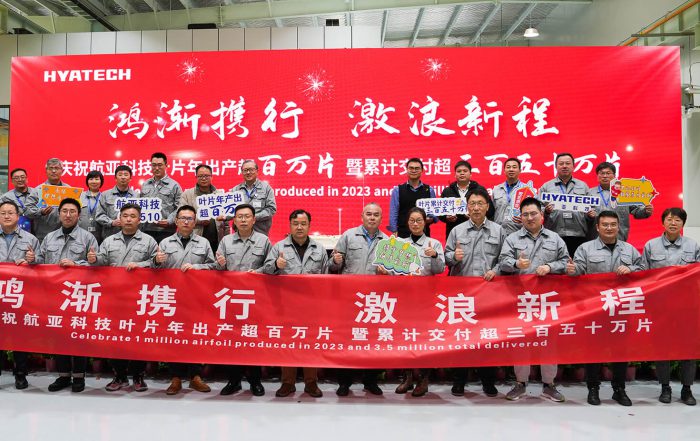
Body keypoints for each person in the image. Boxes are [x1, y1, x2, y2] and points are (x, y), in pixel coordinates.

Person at [567, 210, 642, 406]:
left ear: (618, 227)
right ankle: (593, 388)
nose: (609, 228)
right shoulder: (585, 249)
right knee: (593, 349)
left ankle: (619, 389)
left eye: (613, 225)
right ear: (598, 227)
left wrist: (631, 269)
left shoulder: (629, 250)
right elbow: (578, 271)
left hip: (621, 308)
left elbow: (643, 269)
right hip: (595, 309)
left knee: (620, 349)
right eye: (605, 225)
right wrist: (572, 271)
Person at [498, 197, 568, 402]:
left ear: (541, 215)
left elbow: (566, 262)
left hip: (548, 300)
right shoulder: (512, 239)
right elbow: (502, 262)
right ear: (520, 217)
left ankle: (549, 385)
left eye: (533, 213)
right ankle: (520, 383)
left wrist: (550, 267)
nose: (529, 218)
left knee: (548, 341)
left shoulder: (555, 238)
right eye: (525, 214)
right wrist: (516, 264)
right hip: (522, 299)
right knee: (521, 341)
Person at [88, 203, 158, 392]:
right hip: (114, 298)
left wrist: (140, 265)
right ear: (119, 218)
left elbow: (157, 264)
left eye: (133, 216)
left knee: (138, 338)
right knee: (115, 338)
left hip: (139, 299)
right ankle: (119, 375)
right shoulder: (109, 241)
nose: (128, 219)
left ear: (139, 220)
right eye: (125, 215)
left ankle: (138, 376)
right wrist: (94, 260)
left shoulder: (149, 241)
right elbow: (101, 261)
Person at [444, 187, 505, 397]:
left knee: (487, 337)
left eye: (480, 204)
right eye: (472, 204)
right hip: (462, 295)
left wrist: (495, 270)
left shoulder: (499, 230)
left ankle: (488, 381)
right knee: (461, 337)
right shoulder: (457, 231)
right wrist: (454, 257)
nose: (476, 208)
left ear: (487, 207)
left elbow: (505, 258)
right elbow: (446, 258)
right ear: (467, 207)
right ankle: (459, 380)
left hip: (489, 292)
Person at [262, 209, 328, 398]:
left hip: (311, 306)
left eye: (303, 224)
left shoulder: (319, 249)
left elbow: (325, 277)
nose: (299, 227)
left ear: (309, 226)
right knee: (288, 344)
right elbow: (266, 270)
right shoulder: (279, 247)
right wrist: (276, 265)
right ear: (290, 225)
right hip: (286, 306)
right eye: (295, 223)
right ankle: (288, 383)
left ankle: (311, 383)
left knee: (310, 344)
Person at [37, 198, 98, 393]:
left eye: (72, 211)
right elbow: (41, 260)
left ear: (79, 215)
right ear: (59, 214)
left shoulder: (88, 238)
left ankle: (79, 376)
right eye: (64, 211)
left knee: (78, 334)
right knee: (59, 334)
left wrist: (77, 265)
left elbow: (97, 265)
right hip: (54, 295)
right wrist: (31, 259)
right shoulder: (49, 237)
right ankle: (63, 376)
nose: (68, 215)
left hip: (78, 295)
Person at [154, 205, 216, 396]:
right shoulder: (165, 243)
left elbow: (213, 266)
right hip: (172, 298)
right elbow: (155, 271)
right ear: (176, 221)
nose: (186, 222)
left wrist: (198, 267)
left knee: (195, 335)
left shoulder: (204, 243)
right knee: (174, 336)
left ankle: (195, 376)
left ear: (195, 221)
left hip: (196, 298)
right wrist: (156, 261)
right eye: (183, 218)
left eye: (190, 218)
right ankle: (176, 377)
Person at [328, 202, 389, 396]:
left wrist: (387, 273)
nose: (372, 217)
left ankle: (370, 381)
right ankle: (344, 382)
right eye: (368, 214)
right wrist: (335, 261)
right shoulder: (348, 236)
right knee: (347, 339)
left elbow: (393, 275)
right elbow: (333, 266)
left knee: (372, 341)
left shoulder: (387, 241)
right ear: (362, 216)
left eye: (376, 215)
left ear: (381, 218)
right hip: (350, 298)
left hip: (374, 300)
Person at [641, 207, 698, 406]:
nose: (673, 223)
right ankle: (665, 387)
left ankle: (687, 389)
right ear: (663, 222)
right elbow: (643, 273)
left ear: (683, 224)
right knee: (662, 348)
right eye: (669, 219)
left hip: (686, 306)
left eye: (677, 220)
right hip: (660, 306)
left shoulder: (693, 245)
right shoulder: (651, 245)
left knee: (688, 349)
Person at [215, 204, 271, 397]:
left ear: (254, 220)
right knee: (232, 340)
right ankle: (234, 381)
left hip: (254, 299)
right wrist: (220, 265)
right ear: (235, 220)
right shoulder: (226, 241)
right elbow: (217, 269)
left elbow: (270, 266)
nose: (244, 220)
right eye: (240, 216)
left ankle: (255, 381)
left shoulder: (264, 240)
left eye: (247, 216)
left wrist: (259, 272)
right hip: (230, 299)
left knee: (252, 339)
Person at [394, 207, 445, 397]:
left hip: (426, 301)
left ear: (425, 222)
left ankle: (423, 379)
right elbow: (394, 271)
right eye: (412, 221)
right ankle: (407, 378)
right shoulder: (400, 244)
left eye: (419, 220)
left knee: (424, 339)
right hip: (405, 299)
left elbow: (440, 270)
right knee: (405, 337)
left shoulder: (434, 243)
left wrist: (434, 256)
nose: (415, 224)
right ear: (408, 223)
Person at [0, 200, 39, 389]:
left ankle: (21, 373)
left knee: (19, 334)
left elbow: (42, 264)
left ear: (18, 216)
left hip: (20, 295)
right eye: (3, 213)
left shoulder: (30, 239)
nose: (6, 216)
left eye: (10, 213)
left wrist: (33, 260)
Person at [538, 153, 590, 256]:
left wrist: (590, 215)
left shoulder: (583, 186)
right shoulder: (546, 186)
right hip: (554, 234)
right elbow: (539, 209)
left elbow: (591, 208)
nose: (564, 166)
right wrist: (546, 211)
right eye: (561, 163)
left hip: (578, 234)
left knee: (577, 264)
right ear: (556, 166)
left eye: (568, 163)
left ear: (573, 166)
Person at [586, 162, 653, 241]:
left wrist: (646, 211)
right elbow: (583, 216)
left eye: (608, 173)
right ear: (597, 176)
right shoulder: (589, 193)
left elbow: (637, 211)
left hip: (620, 237)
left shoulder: (624, 193)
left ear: (614, 175)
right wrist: (588, 216)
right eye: (602, 173)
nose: (605, 176)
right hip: (595, 238)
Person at [179, 164, 228, 253]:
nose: (204, 178)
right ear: (196, 177)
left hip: (216, 240)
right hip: (194, 240)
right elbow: (181, 216)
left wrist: (226, 241)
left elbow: (226, 222)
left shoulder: (220, 195)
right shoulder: (187, 194)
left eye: (206, 176)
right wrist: (200, 220)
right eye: (200, 176)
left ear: (211, 176)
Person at [440, 160, 494, 239]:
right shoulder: (447, 191)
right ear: (455, 174)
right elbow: (440, 213)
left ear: (470, 174)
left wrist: (476, 215)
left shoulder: (480, 189)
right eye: (459, 171)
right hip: (454, 232)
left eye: (465, 171)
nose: (462, 173)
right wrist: (446, 217)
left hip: (477, 232)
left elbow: (490, 211)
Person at [141, 152, 183, 243]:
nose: (156, 168)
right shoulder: (145, 184)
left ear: (166, 165)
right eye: (154, 165)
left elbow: (180, 207)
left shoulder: (174, 185)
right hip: (146, 229)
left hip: (166, 230)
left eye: (160, 165)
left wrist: (169, 220)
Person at [389, 158, 436, 238]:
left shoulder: (429, 190)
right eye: (411, 168)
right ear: (407, 170)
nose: (414, 171)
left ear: (422, 171)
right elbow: (394, 213)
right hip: (403, 234)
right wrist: (394, 231)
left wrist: (431, 218)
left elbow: (434, 213)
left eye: (417, 168)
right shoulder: (397, 190)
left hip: (423, 233)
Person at [25, 158, 70, 242]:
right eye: (50, 168)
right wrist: (40, 212)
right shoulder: (38, 190)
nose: (53, 171)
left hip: (65, 235)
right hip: (43, 236)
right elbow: (27, 210)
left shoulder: (69, 190)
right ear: (46, 171)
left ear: (62, 171)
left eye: (56, 168)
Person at [229, 160, 276, 236]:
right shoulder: (235, 190)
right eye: (245, 170)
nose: (248, 172)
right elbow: (230, 210)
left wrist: (253, 218)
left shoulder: (266, 188)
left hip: (260, 232)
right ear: (242, 172)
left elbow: (271, 209)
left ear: (257, 171)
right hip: (240, 232)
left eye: (251, 169)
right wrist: (224, 217)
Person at [95, 165, 137, 240]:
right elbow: (99, 215)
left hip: (132, 236)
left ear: (130, 178)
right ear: (115, 178)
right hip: (111, 236)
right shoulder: (105, 195)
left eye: (126, 175)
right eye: (120, 175)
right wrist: (112, 222)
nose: (123, 177)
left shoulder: (137, 196)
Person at [492, 157, 528, 236]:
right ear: (504, 170)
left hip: (519, 232)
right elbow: (491, 212)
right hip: (498, 233)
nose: (511, 169)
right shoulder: (496, 189)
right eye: (508, 167)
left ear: (520, 170)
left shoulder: (527, 190)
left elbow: (534, 212)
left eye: (514, 167)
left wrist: (525, 219)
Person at [1, 168, 37, 232]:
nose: (20, 180)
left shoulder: (37, 192)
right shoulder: (6, 197)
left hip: (39, 229)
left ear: (27, 179)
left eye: (22, 177)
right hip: (16, 231)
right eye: (16, 178)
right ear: (12, 181)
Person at [80, 170, 104, 244]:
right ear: (87, 181)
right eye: (91, 179)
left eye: (97, 179)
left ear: (101, 181)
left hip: (100, 235)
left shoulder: (104, 197)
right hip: (81, 234)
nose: (94, 182)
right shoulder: (79, 196)